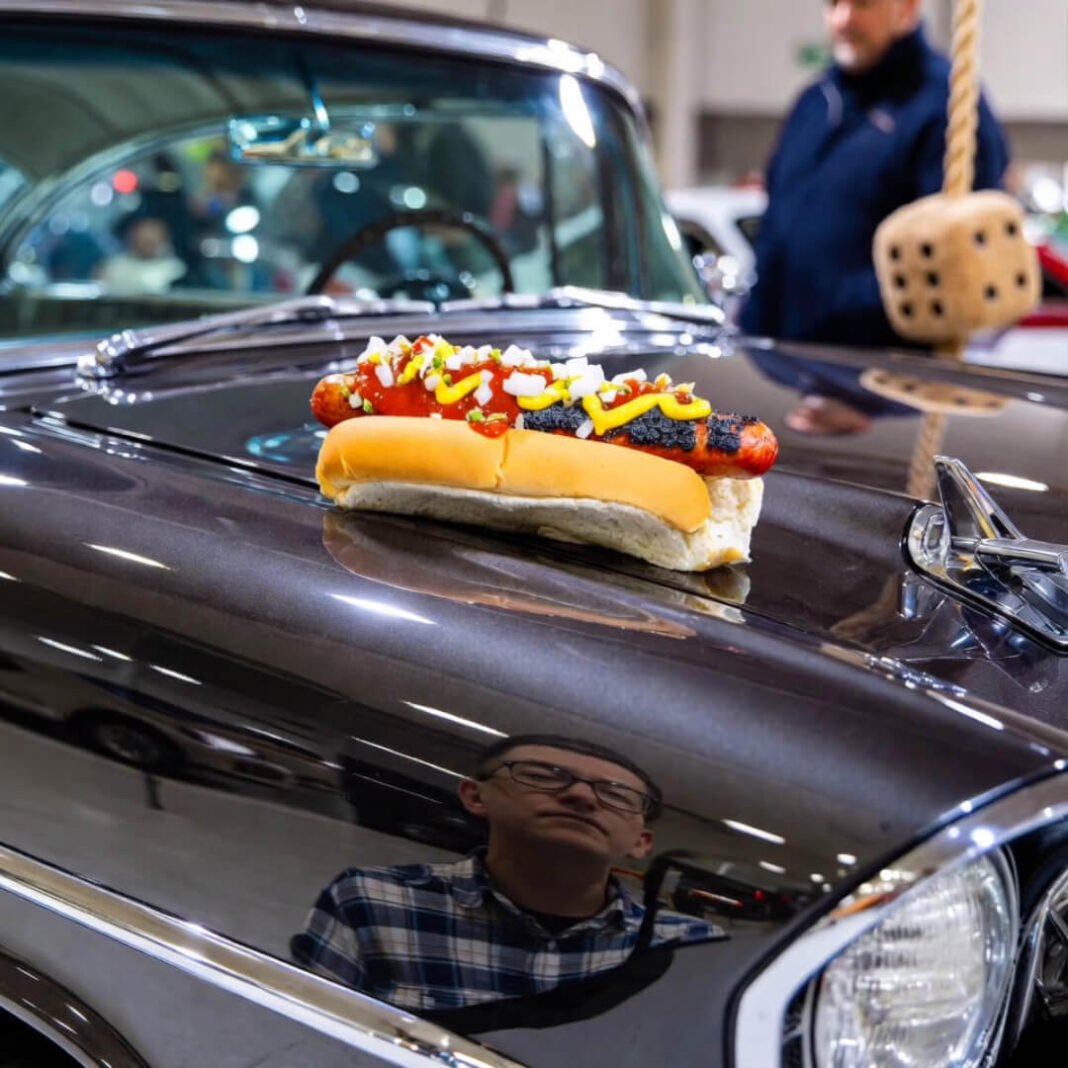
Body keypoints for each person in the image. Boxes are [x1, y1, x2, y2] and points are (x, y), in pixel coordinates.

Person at [291, 734, 719, 1011]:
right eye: (543, 776)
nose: (581, 796)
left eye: (615, 795)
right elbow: (303, 1031)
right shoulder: (373, 899)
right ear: (475, 796)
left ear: (641, 843)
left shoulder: (689, 946)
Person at [740, 0, 1010, 352]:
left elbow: (953, 265)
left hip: (889, 379)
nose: (843, 19)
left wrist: (832, 316)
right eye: (834, 3)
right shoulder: (815, 103)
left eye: (863, 4)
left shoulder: (944, 108)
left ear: (908, 9)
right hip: (790, 369)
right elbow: (775, 232)